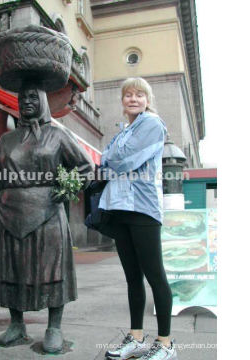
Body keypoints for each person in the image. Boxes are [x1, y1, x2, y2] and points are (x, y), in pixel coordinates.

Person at [0, 86, 94, 353]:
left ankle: (54, 327)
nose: (27, 102)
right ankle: (16, 324)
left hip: (47, 213)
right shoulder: (6, 140)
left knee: (52, 272)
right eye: (23, 98)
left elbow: (85, 167)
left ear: (43, 101)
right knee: (12, 270)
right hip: (10, 214)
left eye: (33, 97)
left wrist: (68, 188)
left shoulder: (58, 135)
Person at [99, 78, 177, 360]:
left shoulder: (152, 124)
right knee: (132, 277)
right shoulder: (123, 131)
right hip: (120, 208)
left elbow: (120, 161)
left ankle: (166, 344)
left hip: (143, 208)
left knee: (155, 275)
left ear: (147, 99)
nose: (133, 99)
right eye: (128, 95)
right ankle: (135, 338)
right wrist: (110, 159)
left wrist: (111, 159)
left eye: (139, 94)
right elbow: (103, 161)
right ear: (122, 101)